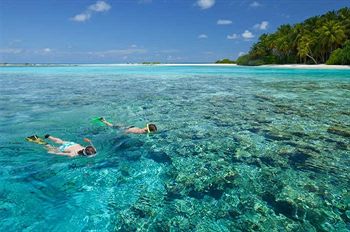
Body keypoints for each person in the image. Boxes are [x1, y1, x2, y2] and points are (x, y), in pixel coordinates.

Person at [26, 134, 97, 157]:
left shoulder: (92, 149)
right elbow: (60, 153)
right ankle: (38, 140)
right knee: (51, 148)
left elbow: (91, 146)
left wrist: (89, 141)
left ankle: (50, 137)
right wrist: (53, 152)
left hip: (73, 144)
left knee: (61, 141)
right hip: (65, 148)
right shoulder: (73, 154)